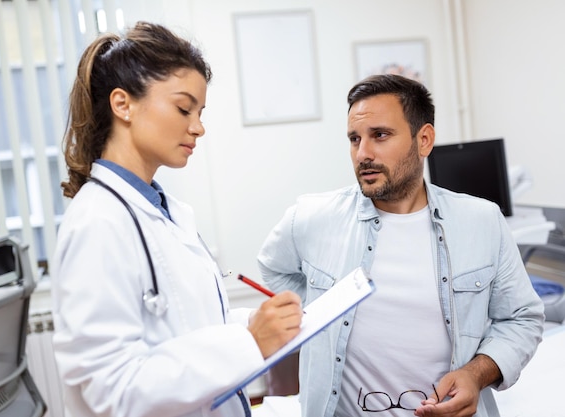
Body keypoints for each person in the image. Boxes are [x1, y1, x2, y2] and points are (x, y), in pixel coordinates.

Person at [51, 21, 303, 417]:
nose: (198, 127)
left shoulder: (165, 211)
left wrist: (256, 323)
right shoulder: (97, 224)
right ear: (123, 104)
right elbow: (113, 389)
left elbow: (188, 327)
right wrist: (249, 342)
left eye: (200, 112)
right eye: (184, 108)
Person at [257, 74, 544, 417]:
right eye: (354, 138)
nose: (362, 153)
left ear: (423, 140)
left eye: (380, 135)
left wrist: (475, 374)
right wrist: (320, 315)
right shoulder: (310, 218)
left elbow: (522, 318)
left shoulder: (482, 221)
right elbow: (272, 267)